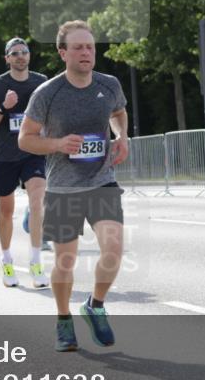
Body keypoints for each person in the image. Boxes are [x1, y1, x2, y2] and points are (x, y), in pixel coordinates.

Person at [19, 20, 130, 352]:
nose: (86, 52)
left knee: (113, 249)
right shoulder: (47, 94)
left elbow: (119, 112)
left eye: (91, 47)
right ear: (62, 52)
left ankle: (95, 304)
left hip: (101, 180)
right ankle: (64, 319)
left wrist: (122, 135)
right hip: (63, 187)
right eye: (79, 47)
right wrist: (57, 144)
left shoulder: (108, 84)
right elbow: (25, 139)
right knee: (65, 260)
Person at [0, 37, 49, 288]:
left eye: (24, 52)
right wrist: (3, 108)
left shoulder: (42, 82)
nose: (20, 56)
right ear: (7, 58)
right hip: (5, 156)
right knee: (6, 212)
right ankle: (7, 259)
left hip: (33, 152)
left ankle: (36, 261)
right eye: (15, 53)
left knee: (37, 202)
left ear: (29, 56)